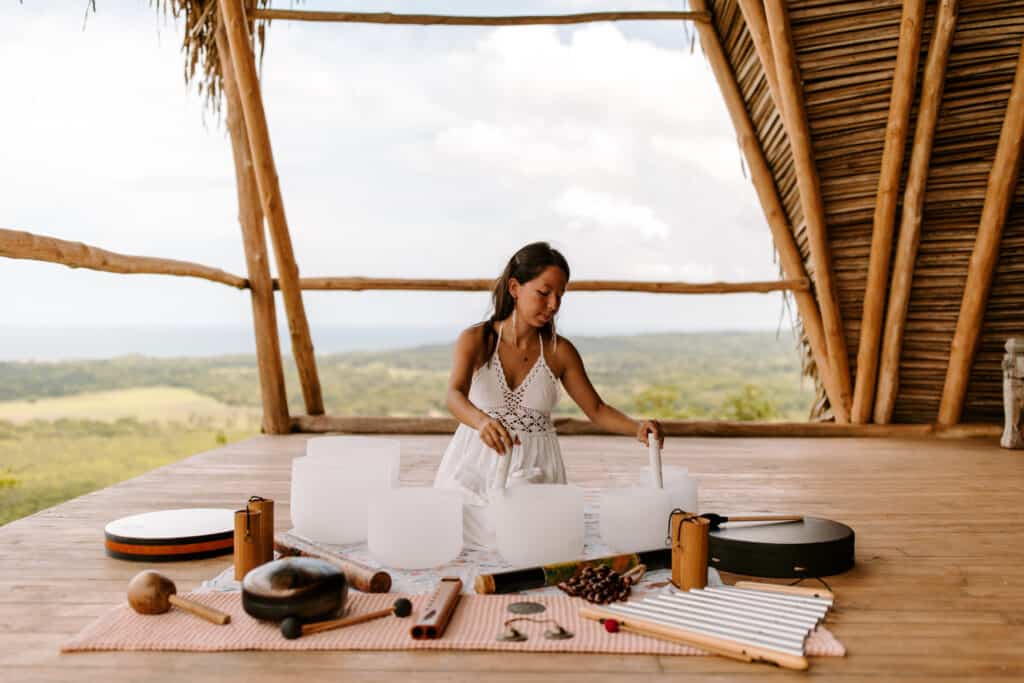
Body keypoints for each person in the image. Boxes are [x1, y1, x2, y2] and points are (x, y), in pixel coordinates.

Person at [433, 241, 664, 547]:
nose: (553, 304)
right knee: (453, 533)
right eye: (544, 293)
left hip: (535, 468)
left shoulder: (560, 351)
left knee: (527, 540)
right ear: (515, 287)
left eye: (560, 295)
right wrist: (482, 422)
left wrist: (637, 428)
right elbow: (454, 395)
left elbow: (596, 409)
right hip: (474, 461)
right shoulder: (477, 339)